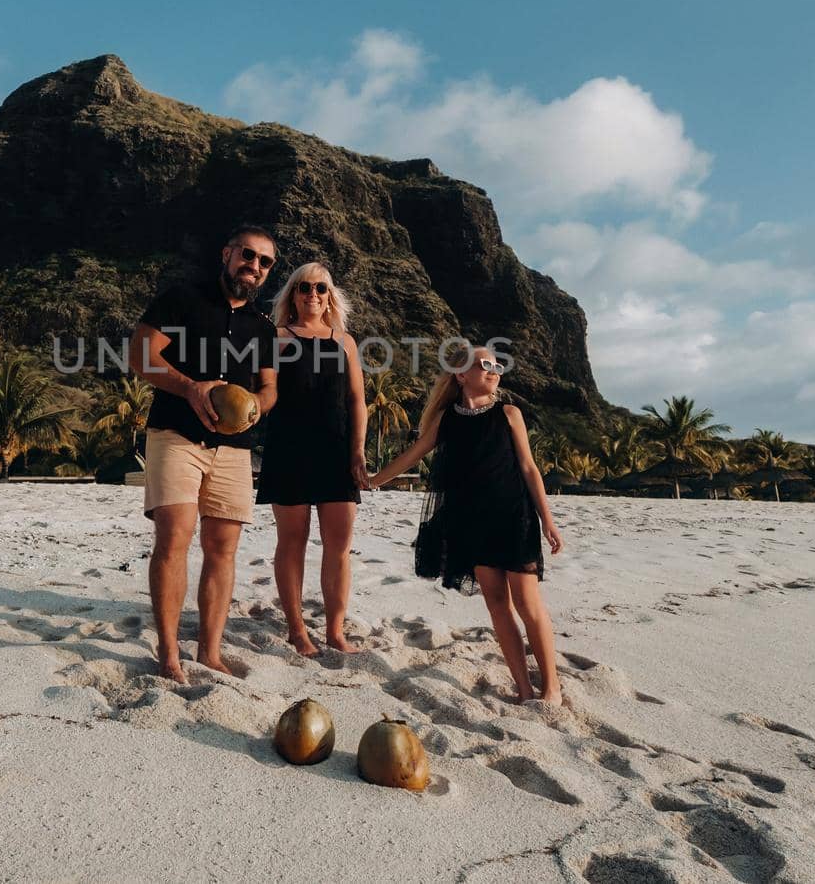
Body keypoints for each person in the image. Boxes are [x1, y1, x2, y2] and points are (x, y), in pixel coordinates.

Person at [369, 343, 566, 704]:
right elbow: (411, 455)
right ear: (461, 374)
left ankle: (551, 686)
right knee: (496, 602)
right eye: (485, 364)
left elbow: (528, 468)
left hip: (513, 516)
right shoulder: (446, 420)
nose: (494, 371)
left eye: (497, 366)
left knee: (527, 601)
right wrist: (372, 480)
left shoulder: (509, 413)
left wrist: (548, 520)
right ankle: (523, 689)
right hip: (472, 521)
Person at [129, 226, 279, 683]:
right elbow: (140, 355)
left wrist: (254, 410)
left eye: (264, 261)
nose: (253, 266)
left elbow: (269, 388)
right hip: (176, 434)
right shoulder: (182, 298)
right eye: (247, 255)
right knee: (174, 536)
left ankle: (210, 652)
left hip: (233, 449)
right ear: (227, 254)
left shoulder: (263, 327)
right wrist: (191, 388)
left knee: (222, 548)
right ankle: (169, 652)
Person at [255, 263, 371, 656]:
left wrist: (357, 449)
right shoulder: (276, 338)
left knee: (338, 544)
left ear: (330, 294)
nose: (313, 294)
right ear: (292, 294)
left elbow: (357, 400)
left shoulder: (346, 342)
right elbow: (261, 390)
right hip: (288, 449)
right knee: (292, 541)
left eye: (321, 287)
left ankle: (335, 632)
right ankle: (296, 629)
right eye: (303, 287)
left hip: (337, 451)